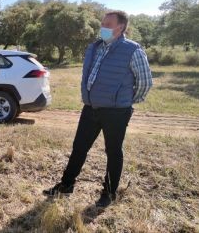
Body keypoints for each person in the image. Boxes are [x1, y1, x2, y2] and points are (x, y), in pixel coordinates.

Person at [43, 11, 153, 208]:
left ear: (120, 27)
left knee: (113, 152)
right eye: (102, 23)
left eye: (107, 24)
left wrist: (124, 101)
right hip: (91, 108)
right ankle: (66, 185)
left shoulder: (133, 50)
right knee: (79, 148)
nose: (102, 27)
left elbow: (145, 82)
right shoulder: (95, 47)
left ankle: (109, 193)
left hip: (116, 112)